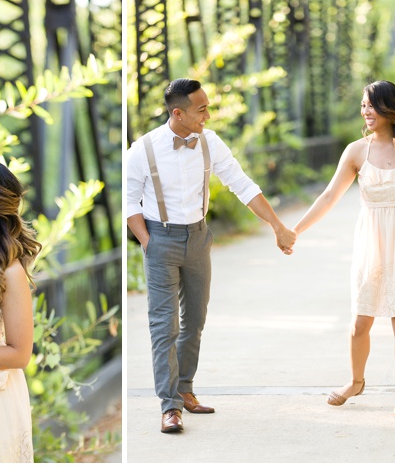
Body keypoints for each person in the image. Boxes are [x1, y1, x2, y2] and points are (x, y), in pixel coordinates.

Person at [126, 78, 296, 434]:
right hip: (160, 240)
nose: (208, 114)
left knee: (195, 322)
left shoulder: (210, 142)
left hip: (199, 238)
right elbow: (129, 204)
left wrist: (278, 227)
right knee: (164, 325)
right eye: (201, 109)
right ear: (178, 113)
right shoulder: (142, 150)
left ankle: (185, 389)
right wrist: (148, 242)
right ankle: (169, 406)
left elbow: (243, 184)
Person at [292, 80, 395, 418]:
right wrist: (295, 231)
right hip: (371, 242)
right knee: (360, 322)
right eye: (363, 105)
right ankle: (355, 382)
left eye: (370, 105)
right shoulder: (355, 151)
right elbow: (328, 197)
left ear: (389, 109)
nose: (364, 111)